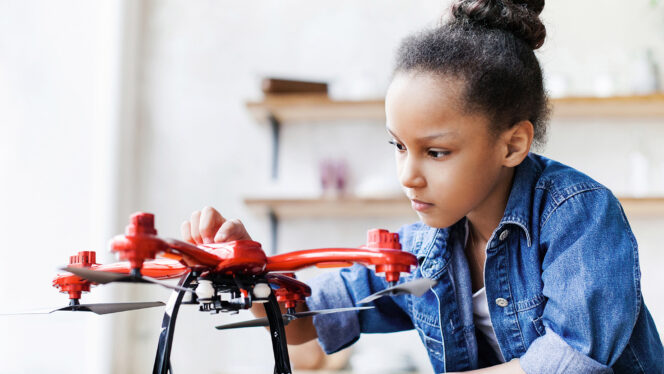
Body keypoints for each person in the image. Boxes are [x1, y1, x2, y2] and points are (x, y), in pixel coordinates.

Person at [181, 0, 664, 372]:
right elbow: (306, 319)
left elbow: (570, 363)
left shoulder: (577, 215)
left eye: (436, 152)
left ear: (513, 144)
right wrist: (246, 274)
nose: (408, 175)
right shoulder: (422, 246)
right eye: (397, 146)